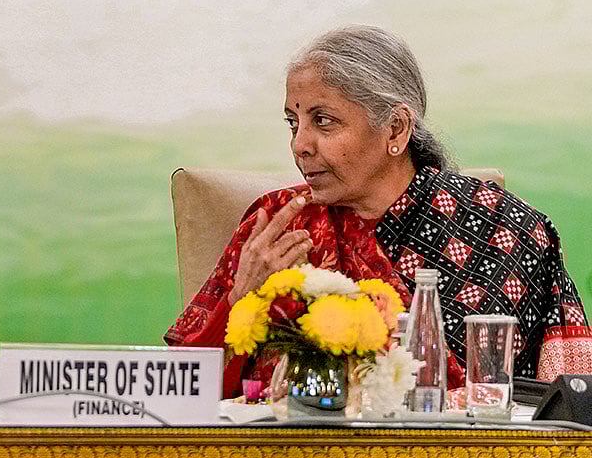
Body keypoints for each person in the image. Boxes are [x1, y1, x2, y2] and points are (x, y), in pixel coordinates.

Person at [165, 25, 592, 399]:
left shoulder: (502, 227)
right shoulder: (278, 224)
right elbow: (182, 391)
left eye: (323, 121)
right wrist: (241, 299)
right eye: (293, 123)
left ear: (395, 129)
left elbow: (559, 400)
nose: (300, 144)